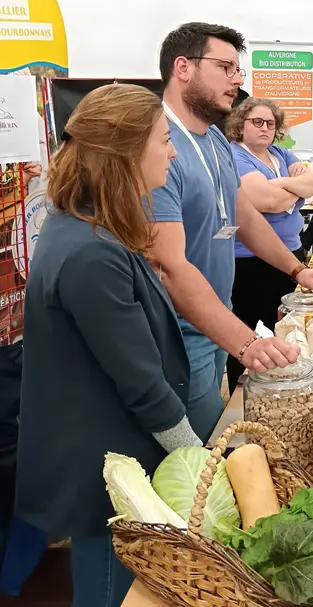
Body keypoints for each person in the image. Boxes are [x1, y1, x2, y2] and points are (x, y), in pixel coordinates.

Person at [15, 84, 205, 607]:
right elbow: (142, 382)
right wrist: (200, 463)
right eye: (165, 140)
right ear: (125, 153)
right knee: (108, 592)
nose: (172, 151)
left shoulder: (90, 229)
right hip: (99, 470)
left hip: (106, 452)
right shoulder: (90, 253)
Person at [150, 22, 313, 442]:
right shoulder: (155, 143)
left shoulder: (213, 140)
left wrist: (296, 270)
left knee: (218, 435)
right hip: (177, 333)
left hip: (217, 319)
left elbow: (244, 217)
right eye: (226, 67)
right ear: (183, 67)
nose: (238, 79)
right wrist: (247, 343)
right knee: (197, 456)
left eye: (239, 68)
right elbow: (168, 267)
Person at [223, 97, 313, 394]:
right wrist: (290, 190)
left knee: (285, 327)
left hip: (291, 254)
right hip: (250, 261)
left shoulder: (281, 153)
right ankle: (242, 394)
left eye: (271, 123)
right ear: (240, 125)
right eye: (257, 122)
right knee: (248, 330)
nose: (265, 128)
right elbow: (268, 202)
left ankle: (283, 386)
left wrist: (278, 188)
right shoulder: (234, 156)